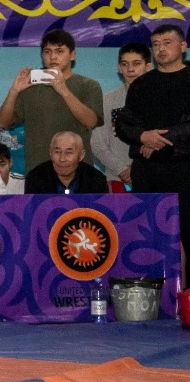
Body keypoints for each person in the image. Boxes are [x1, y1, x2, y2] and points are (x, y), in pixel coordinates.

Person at [115, 23, 190, 240]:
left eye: (167, 43)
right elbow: (124, 123)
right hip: (148, 171)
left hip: (184, 168)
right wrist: (143, 137)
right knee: (150, 236)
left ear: (183, 46)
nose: (160, 49)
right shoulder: (141, 84)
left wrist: (157, 141)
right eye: (156, 44)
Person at [0, 28, 103, 170]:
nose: (53, 57)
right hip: (38, 169)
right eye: (47, 51)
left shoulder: (88, 85)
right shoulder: (30, 86)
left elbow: (90, 122)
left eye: (59, 51)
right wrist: (14, 91)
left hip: (78, 170)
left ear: (72, 55)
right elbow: (2, 123)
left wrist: (64, 90)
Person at [90, 42, 152, 190]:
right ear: (119, 68)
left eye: (136, 63)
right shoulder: (107, 101)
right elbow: (97, 143)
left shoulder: (160, 100)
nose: (130, 69)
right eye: (125, 64)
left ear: (148, 67)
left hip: (153, 176)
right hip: (117, 178)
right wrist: (121, 170)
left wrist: (139, 170)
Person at [26, 131, 109, 195]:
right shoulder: (35, 178)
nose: (62, 159)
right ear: (50, 153)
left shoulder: (96, 179)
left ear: (81, 155)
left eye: (69, 152)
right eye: (57, 152)